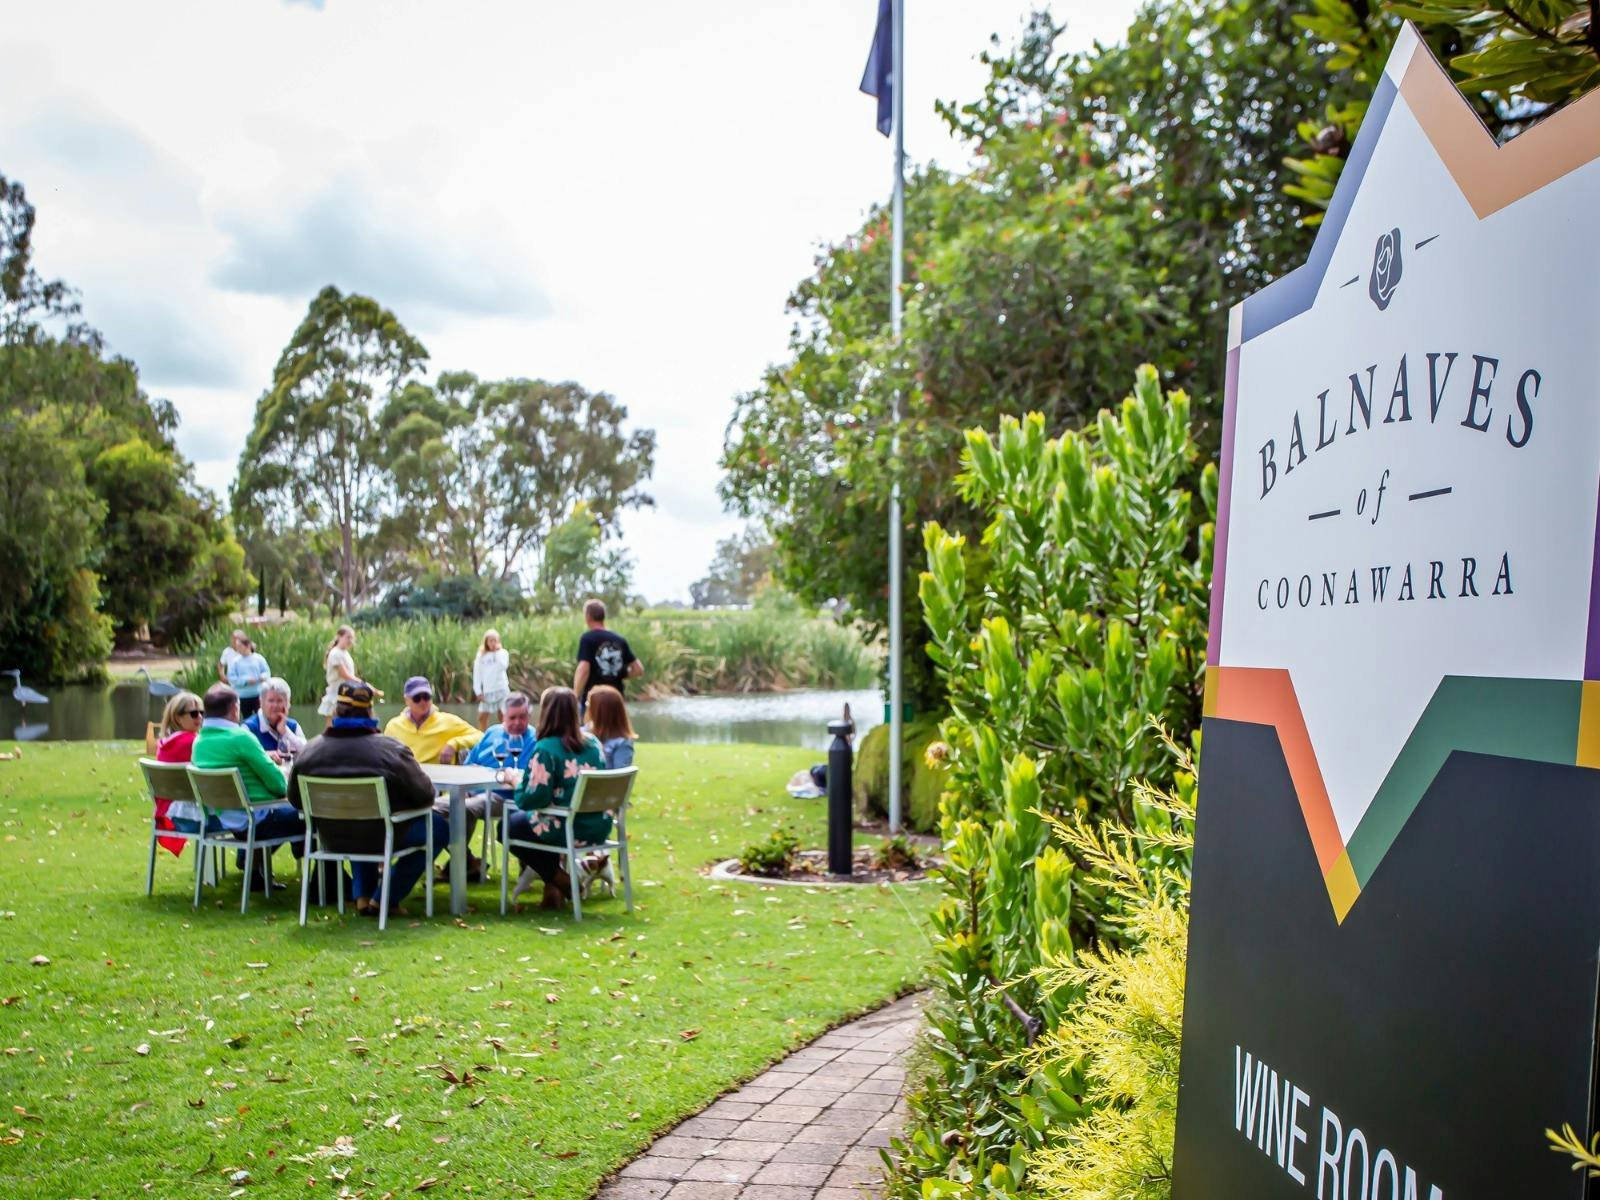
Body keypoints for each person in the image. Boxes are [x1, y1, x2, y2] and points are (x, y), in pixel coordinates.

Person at [287, 679, 448, 917]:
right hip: (381, 837)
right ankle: (386, 897)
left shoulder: (309, 751)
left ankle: (363, 896)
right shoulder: (390, 750)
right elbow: (426, 795)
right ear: (370, 710)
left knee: (357, 821)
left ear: (336, 710)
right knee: (439, 829)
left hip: (332, 839)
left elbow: (295, 800)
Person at [190, 684, 306, 889]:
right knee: (315, 815)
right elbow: (279, 785)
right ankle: (325, 884)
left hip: (227, 818)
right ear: (235, 709)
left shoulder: (199, 742)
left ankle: (255, 873)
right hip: (256, 820)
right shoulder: (241, 738)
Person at [503, 686, 605, 909]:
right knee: (532, 823)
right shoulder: (594, 744)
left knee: (509, 825)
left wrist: (514, 781)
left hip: (567, 827)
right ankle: (554, 889)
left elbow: (532, 799)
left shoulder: (546, 749)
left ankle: (560, 879)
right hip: (597, 826)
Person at [448, 691, 536, 881]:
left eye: (523, 717)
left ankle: (461, 867)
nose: (518, 723)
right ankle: (465, 862)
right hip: (475, 792)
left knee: (462, 809)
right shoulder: (491, 733)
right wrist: (468, 788)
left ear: (529, 716)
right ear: (502, 716)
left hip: (507, 798)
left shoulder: (535, 739)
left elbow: (521, 777)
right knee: (439, 809)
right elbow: (468, 766)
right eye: (512, 717)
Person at [383, 676, 482, 765]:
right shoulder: (393, 726)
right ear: (406, 700)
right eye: (417, 698)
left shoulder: (448, 721)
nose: (422, 702)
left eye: (426, 697)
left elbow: (481, 736)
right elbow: (384, 755)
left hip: (440, 780)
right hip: (407, 779)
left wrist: (454, 743)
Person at [152, 690, 205, 853]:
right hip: (188, 817)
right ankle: (251, 869)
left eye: (202, 713)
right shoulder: (191, 742)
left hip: (168, 814)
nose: (200, 718)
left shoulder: (166, 743)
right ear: (178, 717)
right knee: (248, 819)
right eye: (194, 714)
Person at [572, 599, 642, 709]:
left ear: (588, 616)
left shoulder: (587, 638)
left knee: (589, 726)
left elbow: (584, 669)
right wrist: (619, 673)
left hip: (594, 700)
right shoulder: (620, 640)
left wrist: (575, 695)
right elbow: (638, 669)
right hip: (616, 699)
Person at [319, 626, 382, 726]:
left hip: (347, 696)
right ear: (339, 636)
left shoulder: (345, 653)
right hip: (336, 696)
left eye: (352, 638)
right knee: (332, 730)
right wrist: (365, 686)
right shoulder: (335, 653)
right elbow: (345, 675)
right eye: (348, 637)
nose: (351, 640)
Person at [245, 677, 306, 760]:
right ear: (261, 703)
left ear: (288, 704)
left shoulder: (293, 726)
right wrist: (265, 756)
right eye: (271, 701)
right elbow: (244, 756)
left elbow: (307, 753)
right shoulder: (249, 728)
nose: (275, 705)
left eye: (280, 701)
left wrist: (285, 732)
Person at [584, 684, 636, 769]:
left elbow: (620, 778)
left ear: (600, 712)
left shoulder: (622, 743)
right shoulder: (581, 734)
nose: (586, 706)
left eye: (589, 704)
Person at [472, 629, 511, 732]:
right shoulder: (481, 656)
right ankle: (481, 738)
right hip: (487, 691)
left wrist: (496, 653)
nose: (493, 643)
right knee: (482, 716)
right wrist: (478, 691)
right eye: (490, 641)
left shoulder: (503, 653)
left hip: (501, 689)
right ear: (486, 642)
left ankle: (505, 736)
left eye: (495, 640)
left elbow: (503, 666)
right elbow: (477, 674)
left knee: (502, 715)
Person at [226, 637, 271, 719]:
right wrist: (245, 681)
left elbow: (267, 672)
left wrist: (261, 678)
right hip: (243, 696)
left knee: (262, 717)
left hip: (258, 694)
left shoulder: (259, 658)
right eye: (237, 646)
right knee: (247, 718)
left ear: (247, 646)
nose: (238, 648)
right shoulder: (235, 661)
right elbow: (231, 678)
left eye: (240, 646)